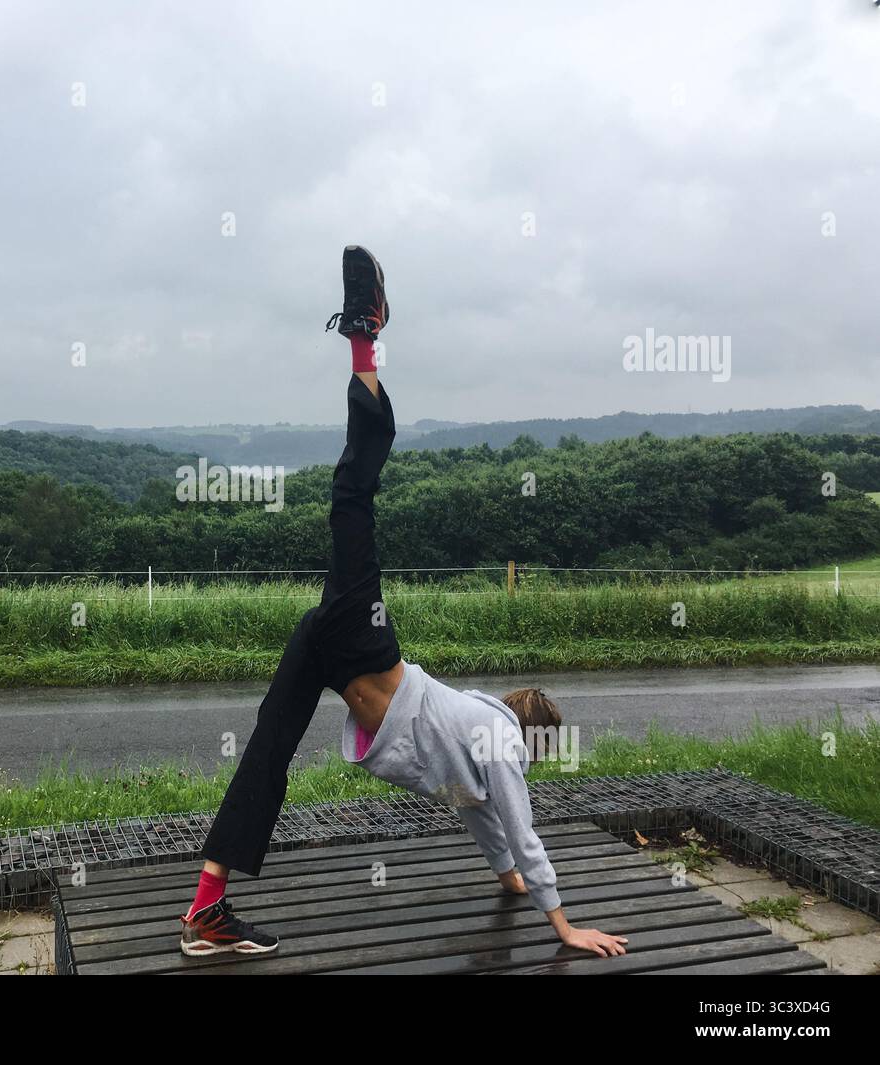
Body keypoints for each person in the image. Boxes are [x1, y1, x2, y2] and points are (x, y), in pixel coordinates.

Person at [179, 246, 628, 960]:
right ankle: (366, 331)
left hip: (334, 643)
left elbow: (492, 827)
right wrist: (565, 924)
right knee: (353, 493)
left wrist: (511, 879)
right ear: (530, 737)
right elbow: (522, 824)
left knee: (269, 749)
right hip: (361, 641)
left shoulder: (476, 751)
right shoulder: (504, 746)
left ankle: (207, 909)